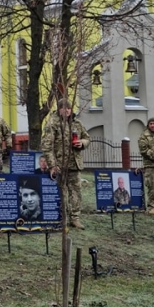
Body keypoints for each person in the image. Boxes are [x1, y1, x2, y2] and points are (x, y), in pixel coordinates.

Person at [42, 98, 90, 229]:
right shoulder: (53, 124)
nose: (67, 111)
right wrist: (52, 165)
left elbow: (87, 138)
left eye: (69, 108)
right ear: (59, 109)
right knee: (62, 193)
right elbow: (47, 146)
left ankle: (75, 218)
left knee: (75, 192)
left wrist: (82, 143)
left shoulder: (77, 123)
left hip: (74, 163)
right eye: (64, 108)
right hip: (60, 164)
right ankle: (63, 218)